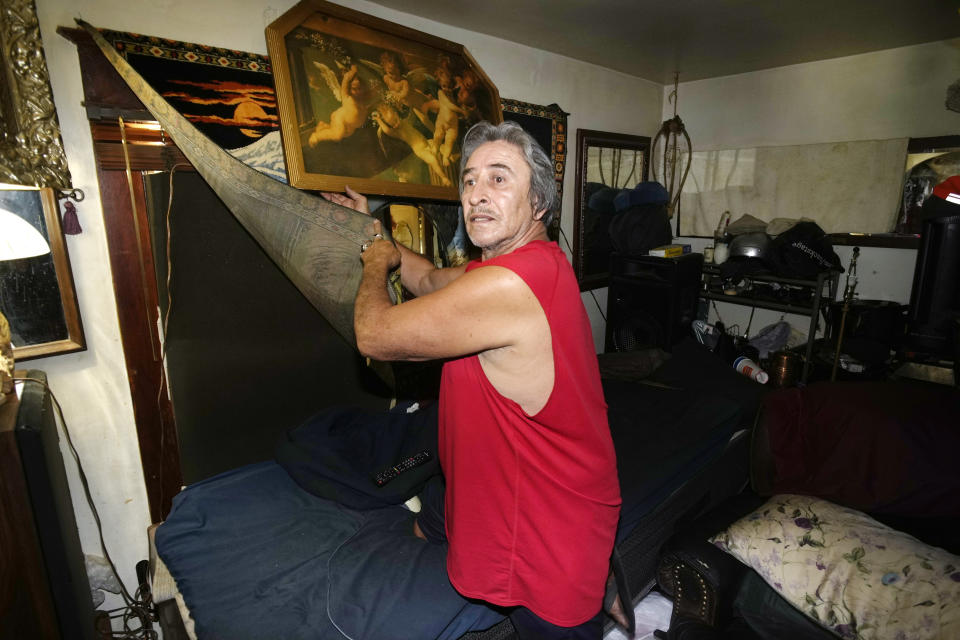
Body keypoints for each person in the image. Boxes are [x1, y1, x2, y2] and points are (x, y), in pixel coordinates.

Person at [323, 121, 621, 639]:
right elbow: (430, 279)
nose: (477, 195)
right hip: (480, 486)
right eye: (469, 180)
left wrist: (372, 264)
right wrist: (377, 234)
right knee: (433, 522)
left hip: (548, 531)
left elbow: (373, 334)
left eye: (499, 179)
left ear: (540, 203)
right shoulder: (515, 265)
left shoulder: (510, 283)